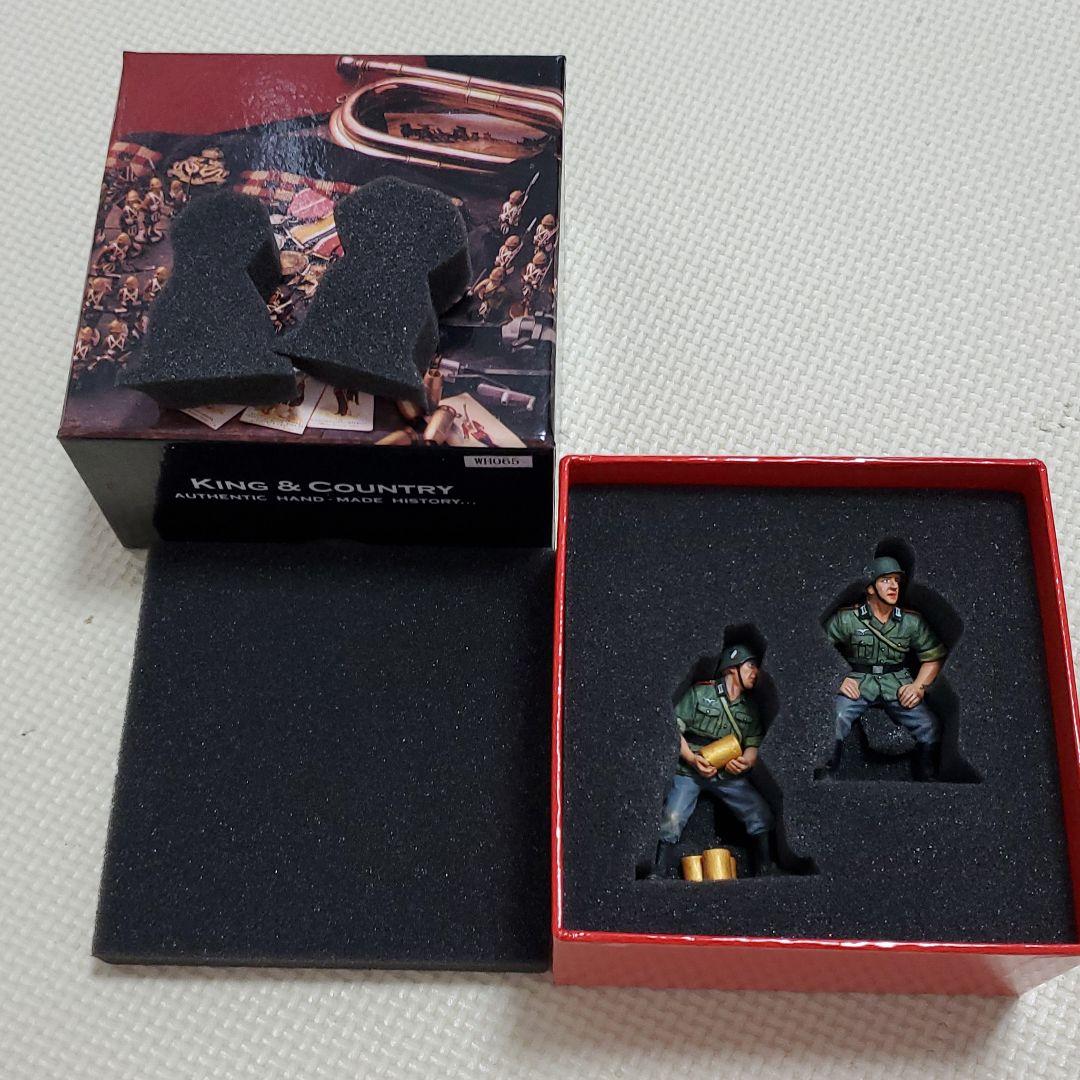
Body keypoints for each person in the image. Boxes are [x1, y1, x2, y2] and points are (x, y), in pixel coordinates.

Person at [648, 644, 776, 879]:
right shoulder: (700, 694)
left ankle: (765, 866)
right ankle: (659, 868)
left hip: (726, 772)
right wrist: (691, 758)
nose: (755, 672)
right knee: (672, 816)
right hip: (690, 769)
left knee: (759, 812)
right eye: (750, 665)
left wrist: (746, 762)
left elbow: (753, 742)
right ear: (732, 668)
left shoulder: (750, 708)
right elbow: (673, 730)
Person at [816, 556, 947, 781]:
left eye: (896, 580)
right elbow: (817, 649)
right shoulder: (848, 619)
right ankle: (826, 771)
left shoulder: (910, 622)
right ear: (870, 588)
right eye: (886, 580)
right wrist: (836, 679)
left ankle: (926, 775)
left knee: (928, 724)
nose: (894, 586)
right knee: (835, 716)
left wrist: (918, 687)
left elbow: (933, 656)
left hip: (896, 683)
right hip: (858, 681)